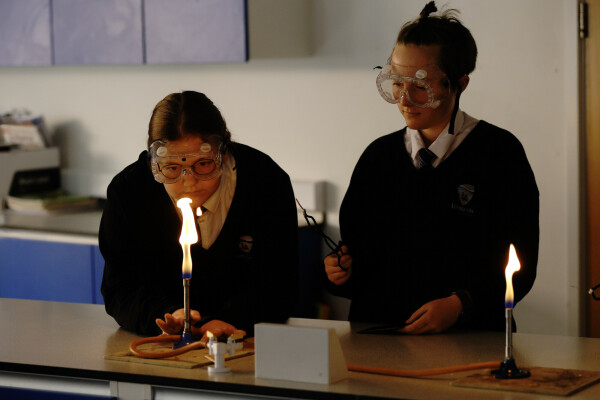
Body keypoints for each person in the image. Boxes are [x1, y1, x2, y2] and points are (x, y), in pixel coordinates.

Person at [324, 2, 539, 334]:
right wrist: (339, 272)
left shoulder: (499, 154)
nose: (404, 99)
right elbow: (358, 257)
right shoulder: (378, 158)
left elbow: (519, 265)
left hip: (471, 341)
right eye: (397, 82)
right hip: (381, 338)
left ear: (460, 84)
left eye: (421, 86)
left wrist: (461, 304)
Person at [100, 91, 298, 340]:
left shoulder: (265, 182)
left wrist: (228, 320)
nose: (189, 182)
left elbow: (279, 282)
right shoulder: (129, 192)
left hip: (248, 341)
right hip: (167, 344)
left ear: (223, 152)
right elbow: (121, 288)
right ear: (153, 162)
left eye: (203, 164)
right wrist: (169, 315)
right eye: (172, 168)